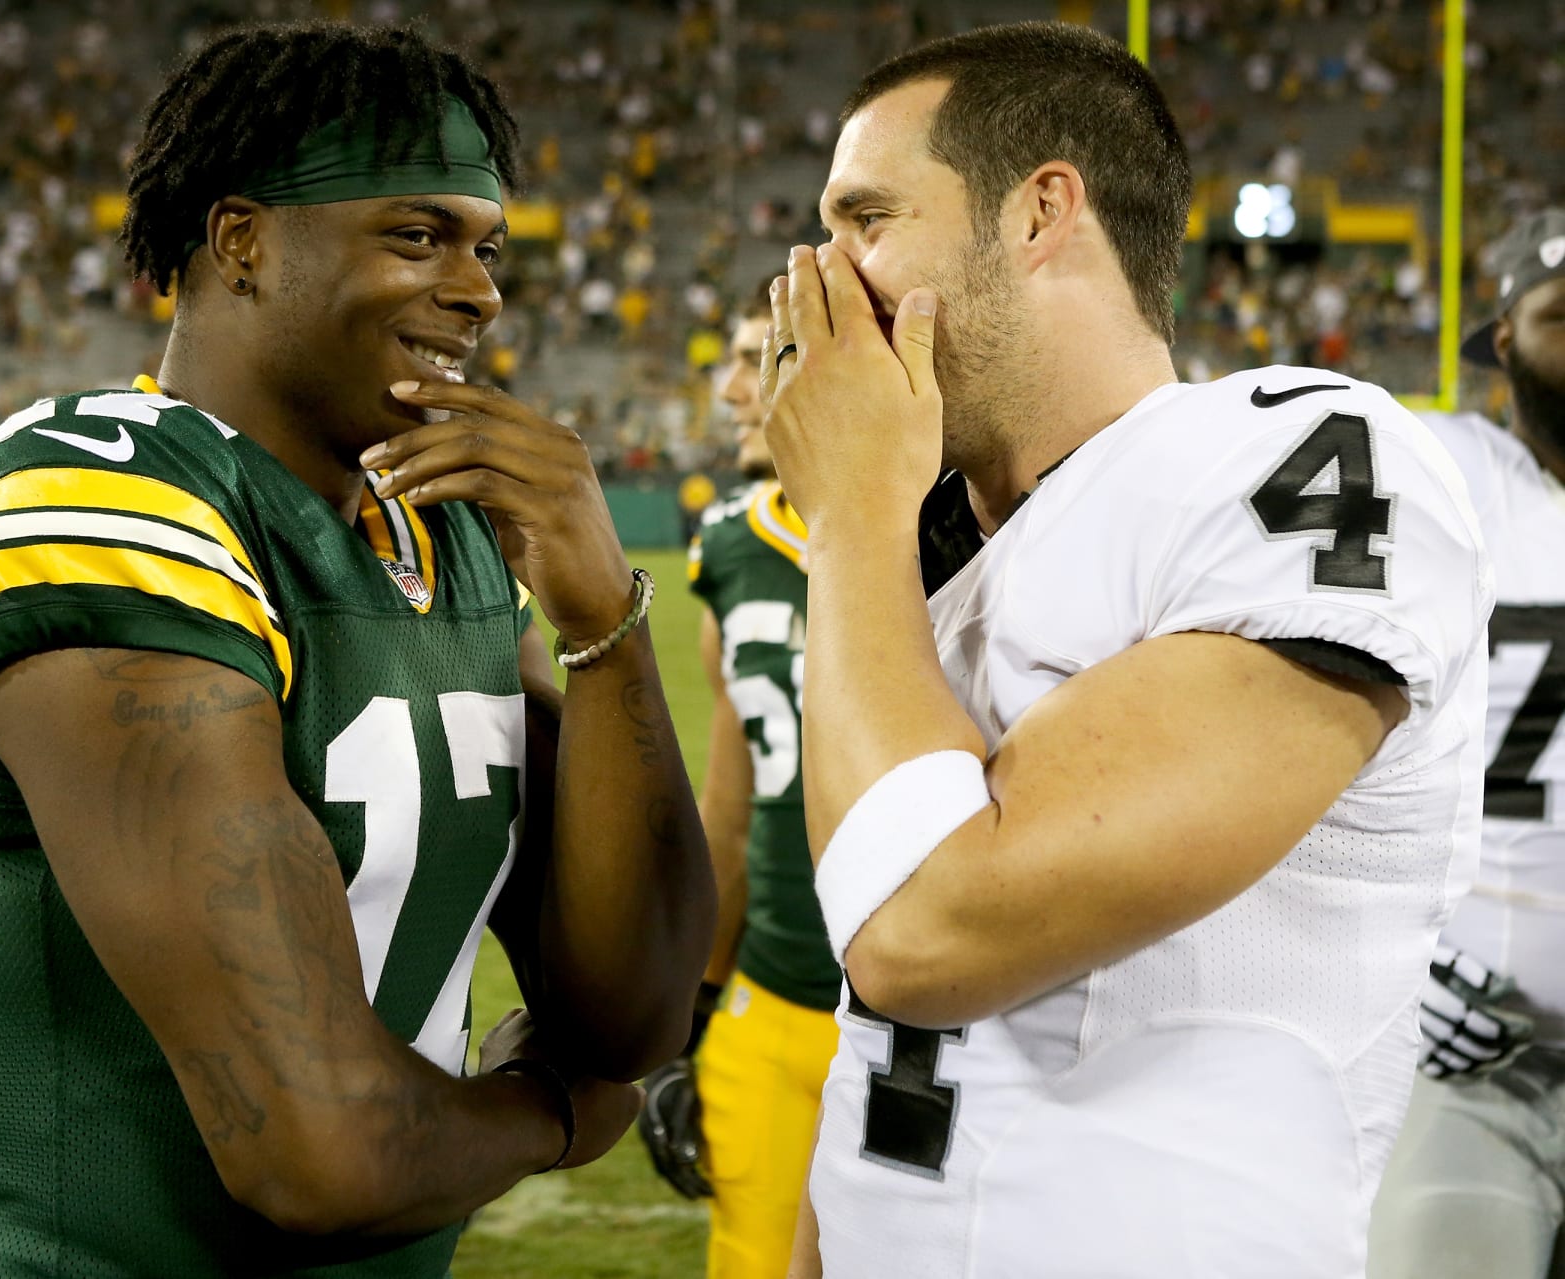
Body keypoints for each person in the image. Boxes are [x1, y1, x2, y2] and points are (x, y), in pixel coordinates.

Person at [0, 22, 714, 1278]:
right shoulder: (97, 496)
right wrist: (548, 1113)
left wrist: (606, 620)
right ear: (241, 241)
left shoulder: (436, 532)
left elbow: (630, 1006)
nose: (480, 288)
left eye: (487, 246)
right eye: (416, 234)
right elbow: (318, 1155)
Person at [759, 23, 1491, 1278]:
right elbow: (876, 1041)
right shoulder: (930, 547)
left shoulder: (1290, 457)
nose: (824, 274)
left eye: (868, 219)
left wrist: (849, 522)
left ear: (1041, 210)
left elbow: (930, 932)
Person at [1369, 207, 1565, 1278]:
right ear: (1502, 340)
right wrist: (1393, 955)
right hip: (1478, 1052)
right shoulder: (1437, 475)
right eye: (1563, 315)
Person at [638, 285, 842, 1279]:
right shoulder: (732, 545)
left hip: (922, 1020)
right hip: (771, 995)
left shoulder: (958, 529)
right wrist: (694, 1013)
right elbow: (730, 806)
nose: (731, 392)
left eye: (765, 355)